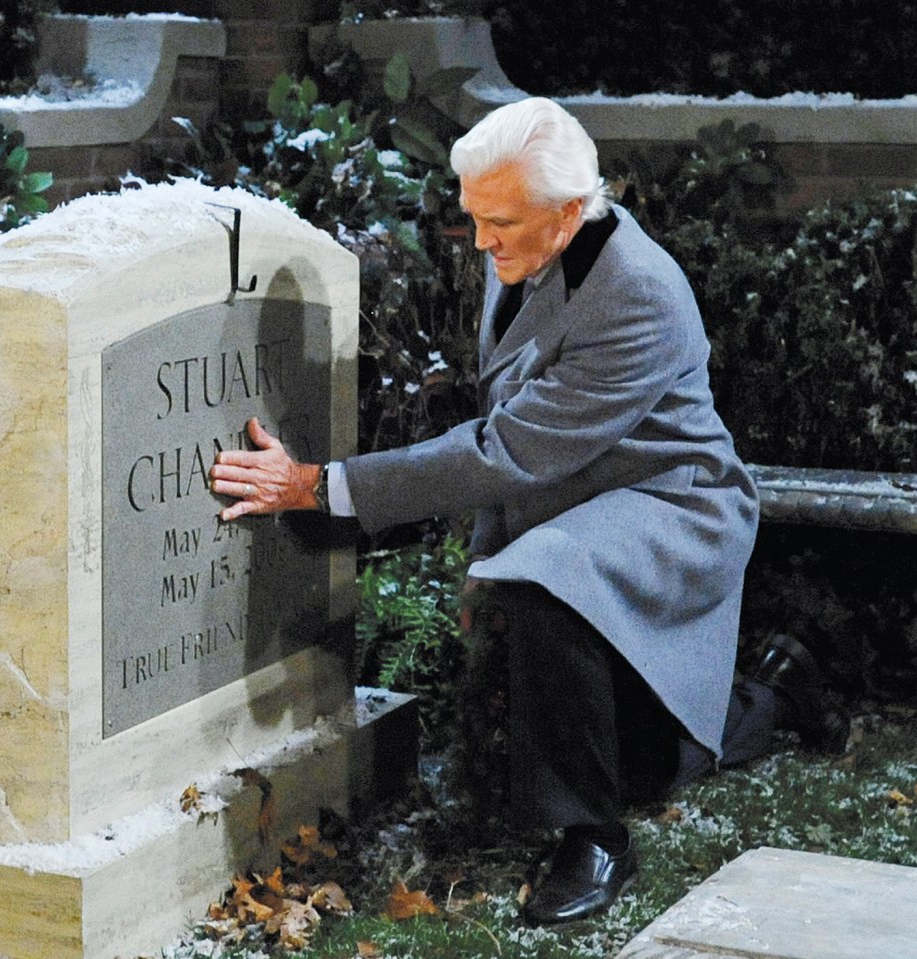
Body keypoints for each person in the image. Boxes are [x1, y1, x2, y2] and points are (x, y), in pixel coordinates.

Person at [210, 96, 848, 926]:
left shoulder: (638, 293)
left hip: (672, 504)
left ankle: (594, 838)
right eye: (473, 218)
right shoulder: (524, 238)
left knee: (548, 575)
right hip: (578, 503)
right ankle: (777, 687)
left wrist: (315, 486)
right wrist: (487, 557)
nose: (480, 241)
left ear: (573, 209)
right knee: (656, 760)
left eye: (498, 222)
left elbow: (501, 449)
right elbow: (517, 429)